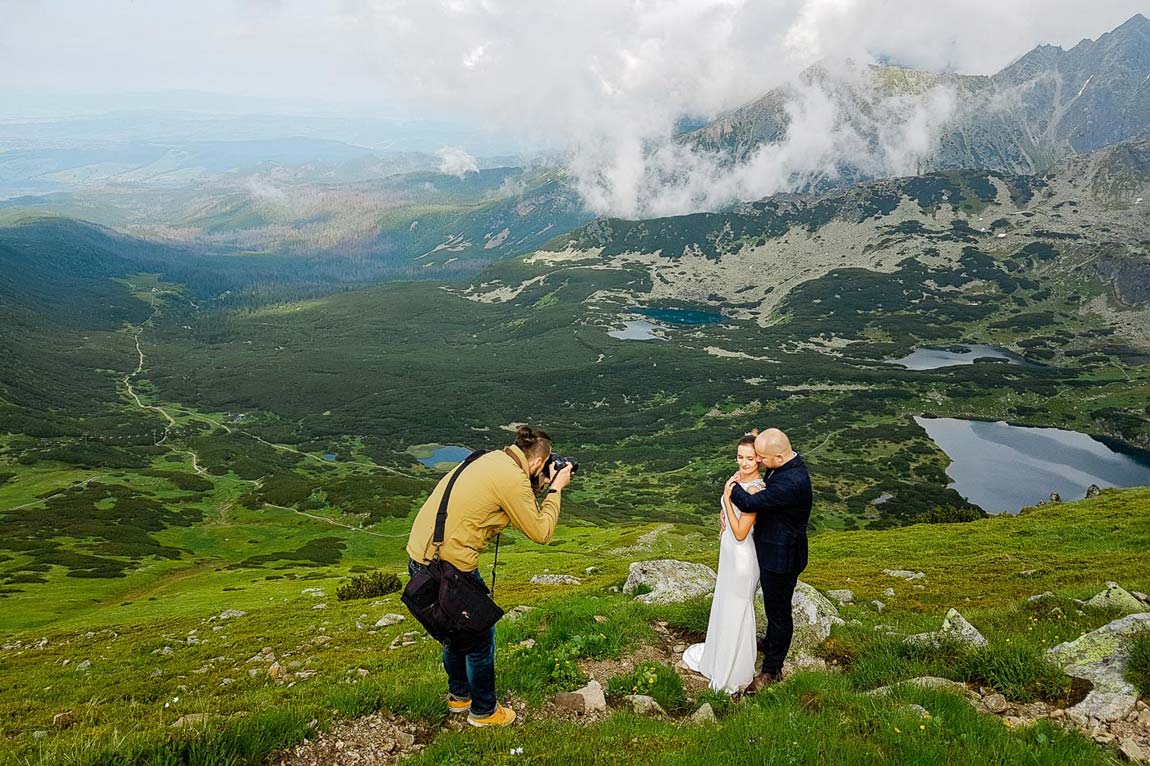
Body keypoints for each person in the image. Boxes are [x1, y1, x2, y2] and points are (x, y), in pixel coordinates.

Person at [406, 425, 574, 727]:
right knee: (480, 638)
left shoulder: (488, 459)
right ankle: (484, 712)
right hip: (449, 569)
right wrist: (555, 488)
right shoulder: (512, 478)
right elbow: (542, 532)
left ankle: (459, 697)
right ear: (537, 463)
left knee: (455, 633)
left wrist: (536, 484)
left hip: (421, 559)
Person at [724, 428, 812, 693]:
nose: (758, 461)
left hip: (781, 557)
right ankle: (770, 642)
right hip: (775, 550)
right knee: (774, 607)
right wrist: (756, 437)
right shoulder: (785, 461)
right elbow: (768, 446)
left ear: (779, 457)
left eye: (761, 457)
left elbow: (750, 503)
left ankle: (772, 670)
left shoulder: (791, 482)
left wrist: (731, 489)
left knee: (779, 612)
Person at [682, 434, 764, 693]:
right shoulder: (738, 478)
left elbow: (741, 531)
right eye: (740, 457)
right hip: (729, 552)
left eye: (750, 458)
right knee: (725, 605)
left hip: (743, 557)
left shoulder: (755, 490)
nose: (744, 463)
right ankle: (720, 657)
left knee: (736, 609)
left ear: (760, 460)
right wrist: (723, 514)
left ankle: (733, 669)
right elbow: (730, 521)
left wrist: (727, 503)